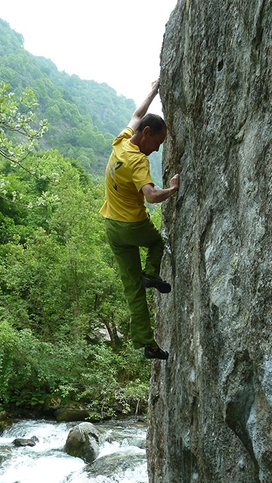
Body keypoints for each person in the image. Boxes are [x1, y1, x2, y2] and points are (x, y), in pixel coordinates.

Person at [100, 79, 179, 360]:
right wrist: (172, 188)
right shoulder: (137, 161)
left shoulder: (121, 141)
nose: (157, 149)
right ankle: (152, 273)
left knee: (133, 290)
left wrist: (153, 91)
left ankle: (148, 344)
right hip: (132, 226)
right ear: (146, 134)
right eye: (157, 142)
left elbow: (136, 114)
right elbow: (151, 196)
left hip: (111, 226)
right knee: (157, 243)